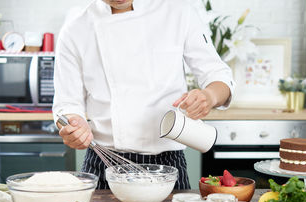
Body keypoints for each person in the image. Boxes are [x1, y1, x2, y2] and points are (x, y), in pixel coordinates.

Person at [53, 0, 235, 190]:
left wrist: (210, 96)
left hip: (167, 165)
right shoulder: (76, 29)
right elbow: (67, 104)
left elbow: (218, 75)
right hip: (103, 162)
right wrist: (74, 126)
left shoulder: (178, 11)